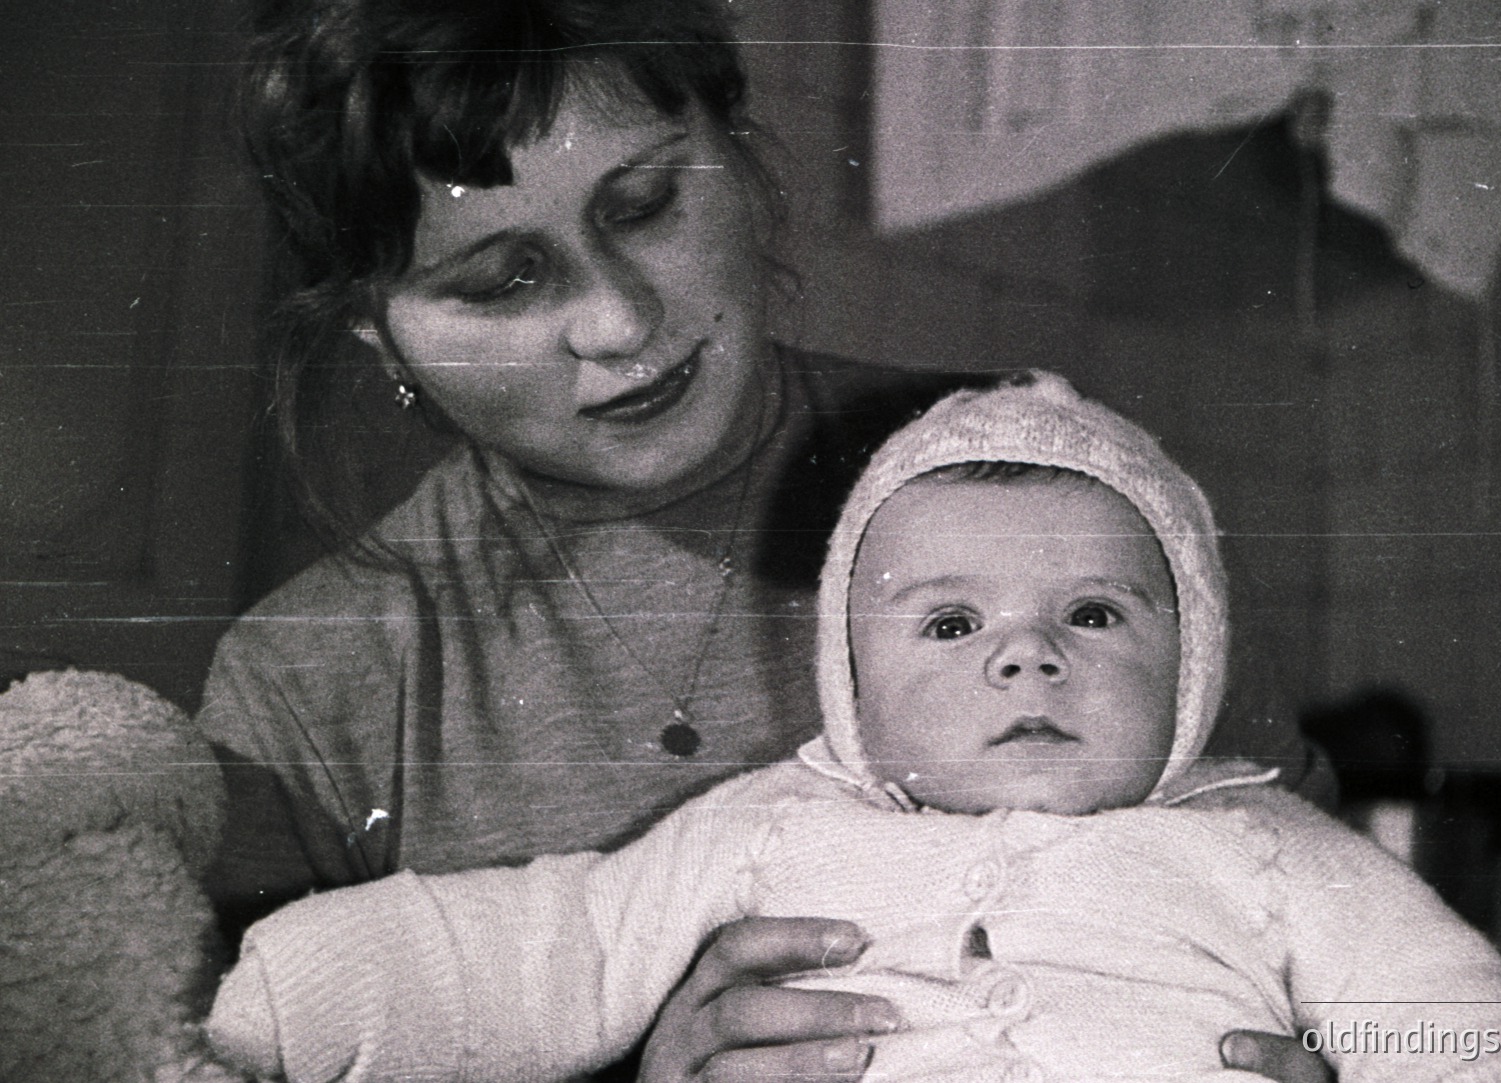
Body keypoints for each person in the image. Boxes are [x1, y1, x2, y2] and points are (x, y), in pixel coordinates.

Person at [201, 1, 1328, 1079]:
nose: (621, 322)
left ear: (737, 153)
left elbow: (1321, 914)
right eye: (501, 282)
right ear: (379, 334)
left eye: (644, 203)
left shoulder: (1048, 485)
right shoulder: (312, 678)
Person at [206, 374, 1501, 1083]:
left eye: (1096, 613)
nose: (1026, 651)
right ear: (848, 675)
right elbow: (549, 939)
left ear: (1195, 657)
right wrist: (280, 993)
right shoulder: (776, 822)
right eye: (947, 623)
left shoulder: (1264, 843)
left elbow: (1458, 1022)